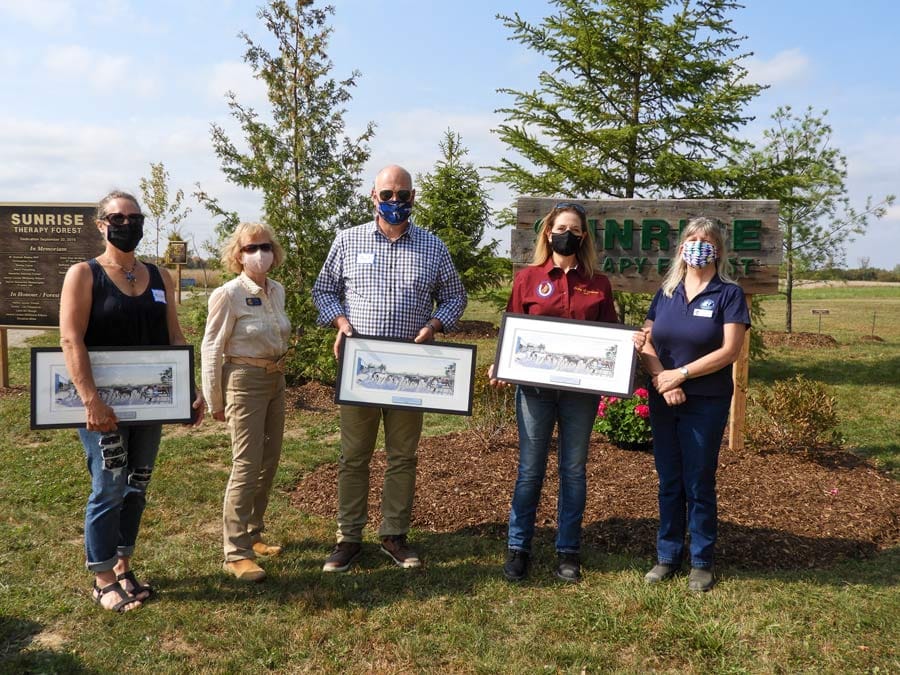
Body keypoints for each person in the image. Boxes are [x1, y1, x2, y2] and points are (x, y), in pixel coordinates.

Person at [312, 164, 467, 572]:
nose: (394, 202)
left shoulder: (433, 246)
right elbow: (323, 290)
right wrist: (341, 323)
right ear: (373, 197)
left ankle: (394, 535)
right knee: (353, 456)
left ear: (413, 197)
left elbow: (455, 297)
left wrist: (435, 325)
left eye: (402, 195)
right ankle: (348, 538)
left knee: (402, 456)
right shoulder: (347, 240)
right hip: (360, 369)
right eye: (387, 195)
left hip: (410, 370)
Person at [59, 190, 204, 613]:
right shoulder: (84, 274)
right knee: (108, 485)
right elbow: (71, 339)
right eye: (117, 217)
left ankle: (124, 565)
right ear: (101, 224)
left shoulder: (160, 277)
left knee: (137, 484)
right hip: (102, 409)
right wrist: (91, 401)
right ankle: (102, 577)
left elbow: (175, 338)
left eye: (134, 217)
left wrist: (187, 391)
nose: (127, 224)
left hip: (151, 406)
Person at [490, 202, 621, 583]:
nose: (568, 234)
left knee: (573, 471)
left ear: (583, 237)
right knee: (530, 471)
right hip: (535, 391)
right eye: (561, 227)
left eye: (575, 229)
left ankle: (568, 551)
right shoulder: (528, 279)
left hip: (580, 396)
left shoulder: (598, 283)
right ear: (548, 232)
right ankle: (519, 548)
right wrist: (501, 362)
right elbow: (511, 328)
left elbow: (609, 335)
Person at [635, 217, 750, 592]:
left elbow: (729, 350)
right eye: (691, 239)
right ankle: (667, 555)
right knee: (669, 480)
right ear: (681, 247)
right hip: (663, 396)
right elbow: (647, 340)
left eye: (706, 240)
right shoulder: (666, 292)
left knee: (698, 480)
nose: (697, 245)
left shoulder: (728, 294)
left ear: (718, 249)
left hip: (706, 401)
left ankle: (702, 560)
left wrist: (680, 375)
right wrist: (661, 379)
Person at [201, 222, 292, 582]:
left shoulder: (278, 290)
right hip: (243, 382)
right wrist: (214, 398)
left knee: (269, 460)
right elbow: (212, 347)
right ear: (238, 255)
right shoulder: (228, 294)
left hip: (275, 379)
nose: (260, 254)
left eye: (265, 246)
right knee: (246, 464)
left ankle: (253, 534)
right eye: (251, 248)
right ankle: (234, 552)